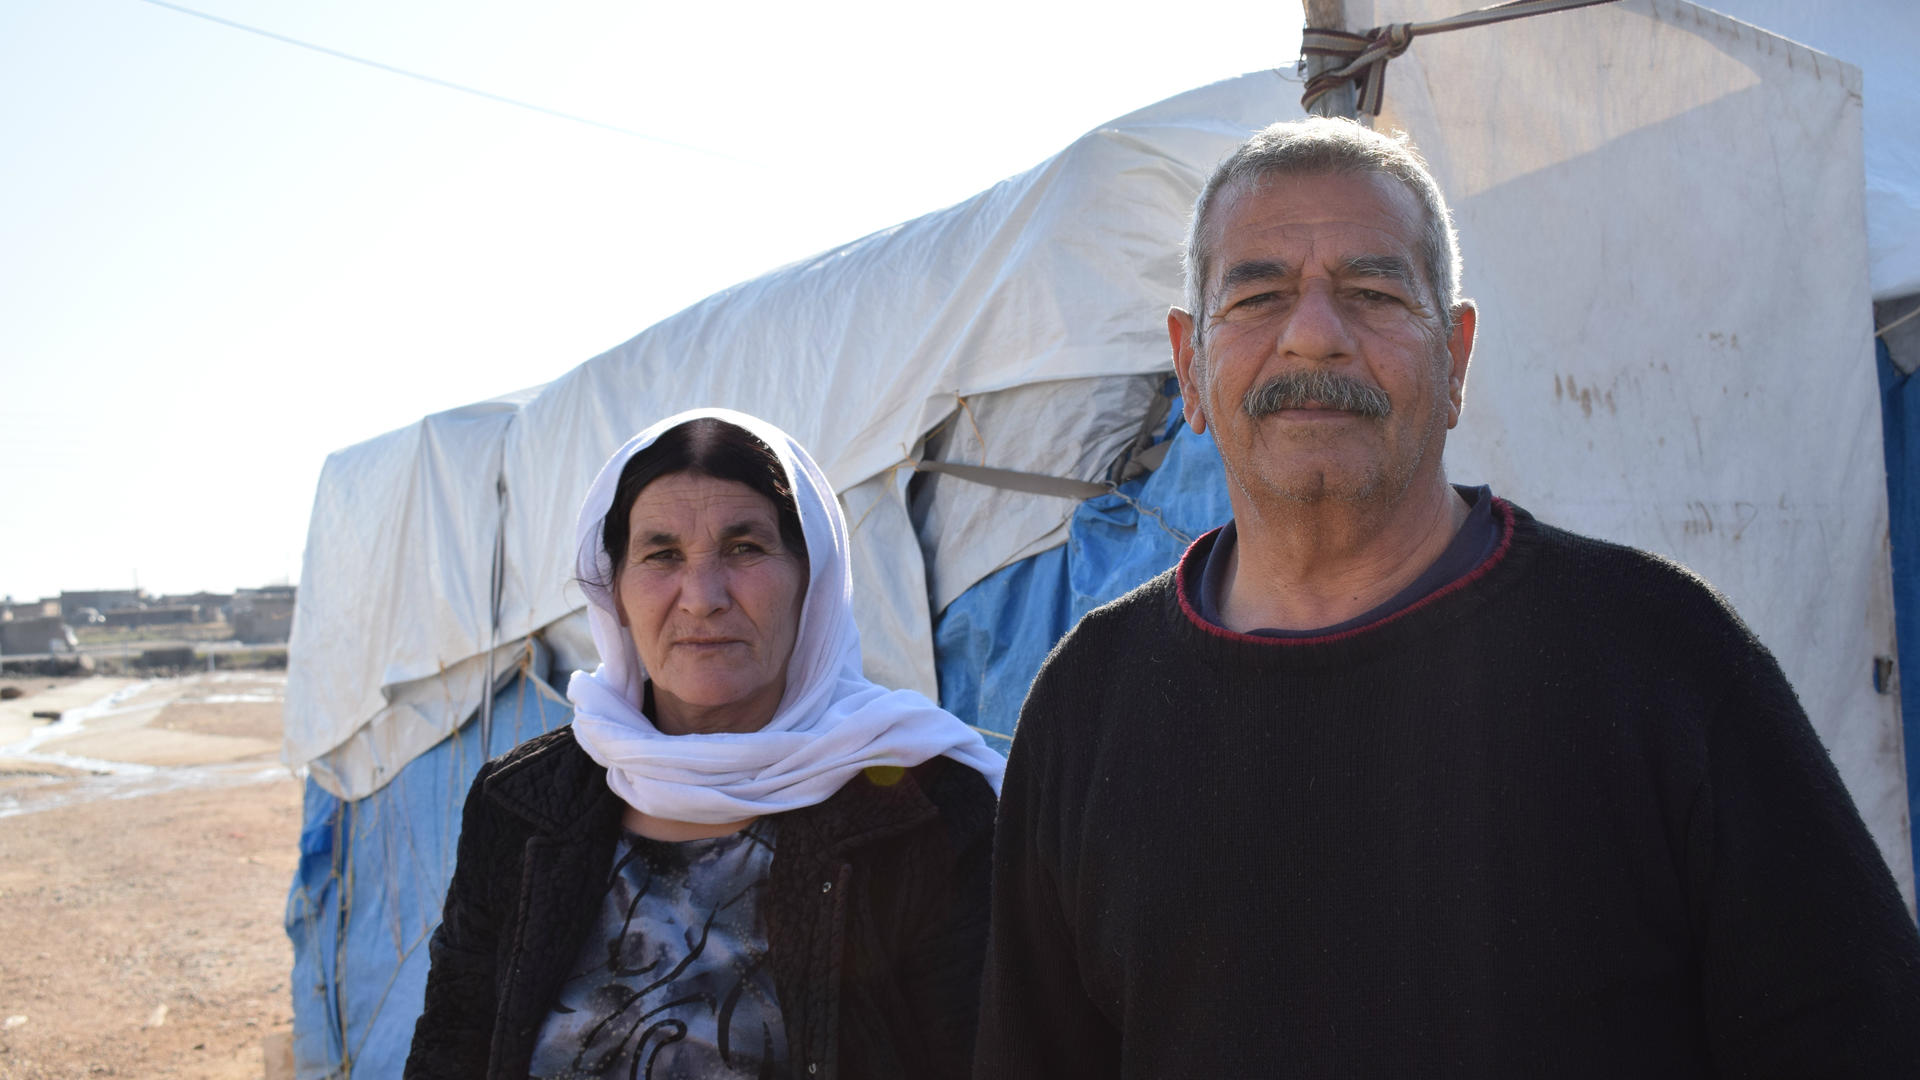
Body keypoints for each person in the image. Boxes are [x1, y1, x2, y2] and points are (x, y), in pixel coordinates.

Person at [973, 118, 1920, 1077]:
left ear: (1457, 357)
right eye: (1258, 295)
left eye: (1373, 291)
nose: (1313, 334)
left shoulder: (1661, 657)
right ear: (1189, 367)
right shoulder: (1087, 705)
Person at [406, 408, 1004, 1080]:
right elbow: (452, 1048)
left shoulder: (924, 806)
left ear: (813, 579)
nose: (702, 596)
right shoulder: (522, 806)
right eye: (662, 554)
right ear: (615, 591)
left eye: (744, 547)